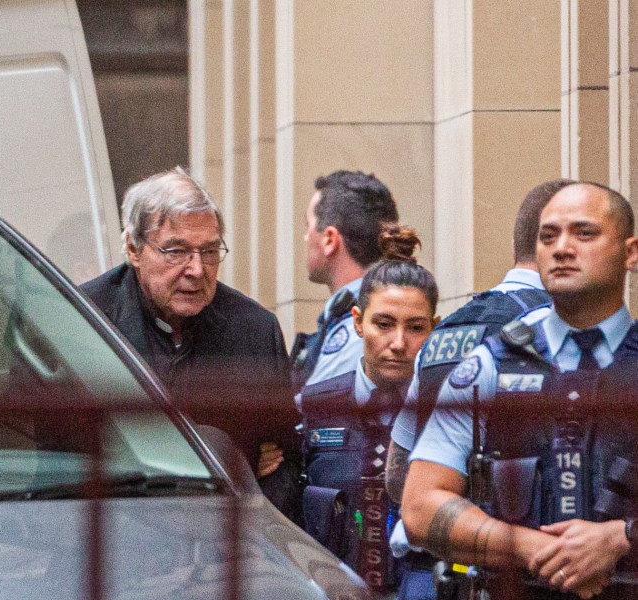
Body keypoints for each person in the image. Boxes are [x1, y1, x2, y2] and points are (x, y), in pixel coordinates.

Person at [402, 182, 638, 599]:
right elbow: (421, 505)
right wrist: (531, 548)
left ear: (630, 252)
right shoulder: (489, 364)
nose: (562, 248)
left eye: (584, 233)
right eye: (548, 236)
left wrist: (621, 538)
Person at [384, 178, 574, 600]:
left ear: (514, 248)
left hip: (429, 573)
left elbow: (398, 478)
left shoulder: (447, 330)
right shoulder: (561, 334)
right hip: (530, 574)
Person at [80, 167, 301, 515]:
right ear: (133, 248)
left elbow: (284, 461)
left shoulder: (254, 331)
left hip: (226, 543)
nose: (197, 269)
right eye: (176, 251)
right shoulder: (84, 321)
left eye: (210, 251)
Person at [299, 225, 438, 597]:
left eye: (416, 328)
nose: (398, 343)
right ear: (358, 321)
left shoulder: (444, 412)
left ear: (434, 330)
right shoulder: (313, 407)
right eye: (384, 323)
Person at [291, 170, 399, 393]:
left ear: (330, 239)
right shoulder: (380, 312)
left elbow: (311, 420)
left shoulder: (358, 331)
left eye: (308, 225)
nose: (305, 237)